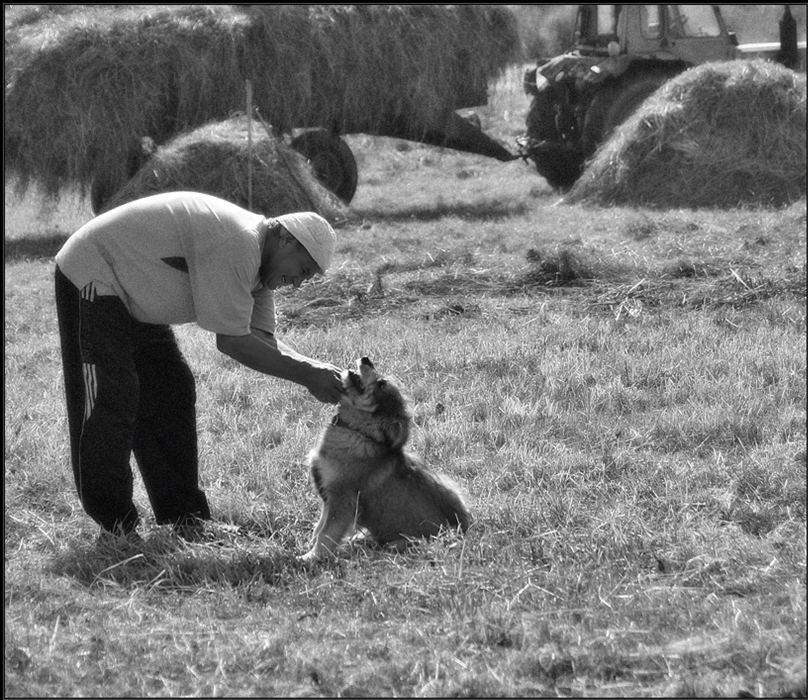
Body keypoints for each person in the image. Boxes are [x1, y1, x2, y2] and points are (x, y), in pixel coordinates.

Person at [53, 191, 344, 545]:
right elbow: (234, 342)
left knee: (171, 389)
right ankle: (116, 528)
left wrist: (317, 368)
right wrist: (309, 375)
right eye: (302, 271)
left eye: (306, 279)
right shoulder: (240, 242)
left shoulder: (259, 270)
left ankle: (185, 517)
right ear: (285, 239)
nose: (297, 284)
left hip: (132, 293)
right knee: (111, 394)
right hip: (93, 272)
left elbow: (261, 339)